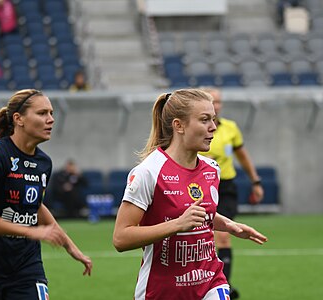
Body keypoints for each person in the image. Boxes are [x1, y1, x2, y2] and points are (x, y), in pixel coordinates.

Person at [113, 89, 268, 300]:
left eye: (213, 119)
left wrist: (228, 225)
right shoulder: (148, 172)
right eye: (205, 120)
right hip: (163, 290)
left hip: (210, 281)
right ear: (179, 125)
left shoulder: (212, 169)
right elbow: (121, 238)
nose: (213, 127)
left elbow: (199, 213)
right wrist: (177, 224)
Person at [0, 89, 92, 299]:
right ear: (19, 119)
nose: (51, 120)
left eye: (51, 113)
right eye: (42, 113)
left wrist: (70, 247)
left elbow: (36, 206)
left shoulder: (43, 163)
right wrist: (30, 231)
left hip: (25, 266)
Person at [198, 87, 264, 299]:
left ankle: (222, 286)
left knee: (224, 237)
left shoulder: (230, 129)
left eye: (218, 102)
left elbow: (243, 156)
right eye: (211, 102)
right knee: (200, 238)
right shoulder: (196, 129)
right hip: (200, 188)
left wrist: (256, 181)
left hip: (225, 187)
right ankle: (203, 279)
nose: (216, 106)